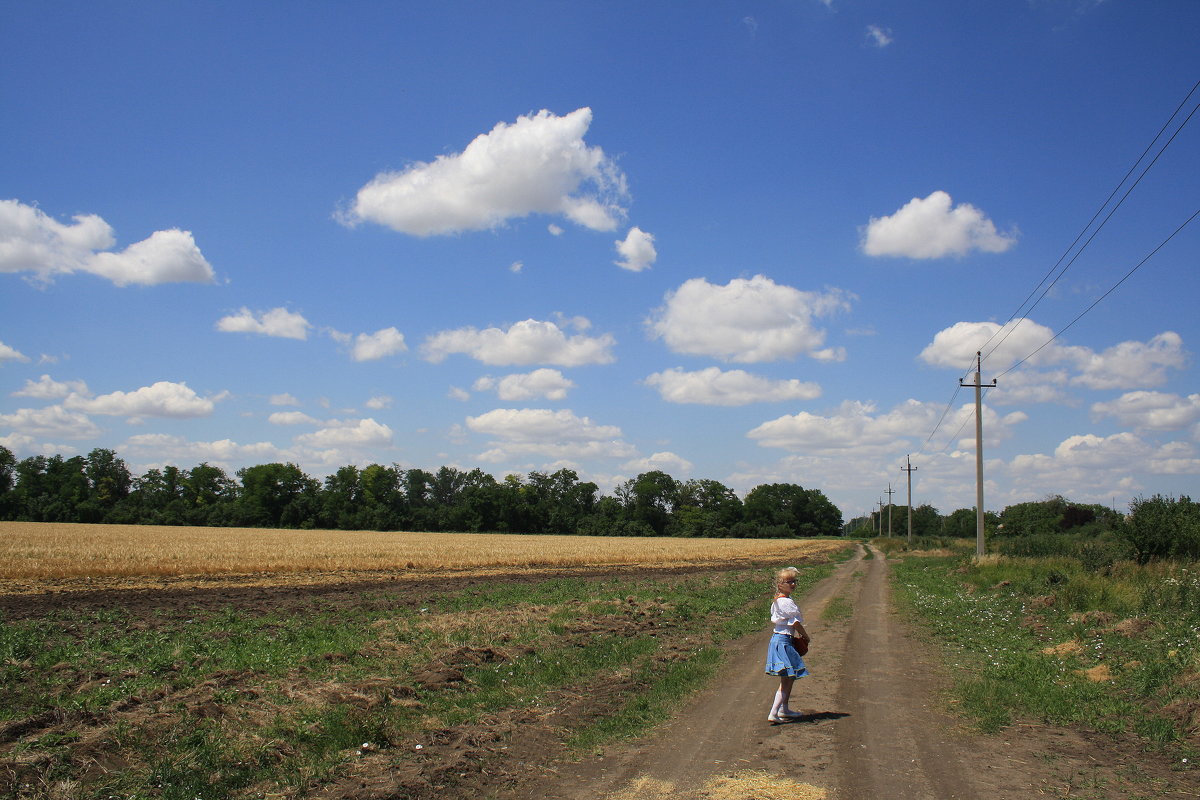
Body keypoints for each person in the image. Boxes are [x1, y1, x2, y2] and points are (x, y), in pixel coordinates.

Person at [764, 566, 810, 723]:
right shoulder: (785, 602)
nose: (793, 584)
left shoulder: (779, 601)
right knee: (787, 679)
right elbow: (795, 623)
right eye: (788, 581)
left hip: (781, 640)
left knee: (789, 678)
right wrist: (805, 635)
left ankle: (783, 709)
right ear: (780, 584)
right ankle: (774, 712)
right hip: (783, 642)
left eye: (794, 581)